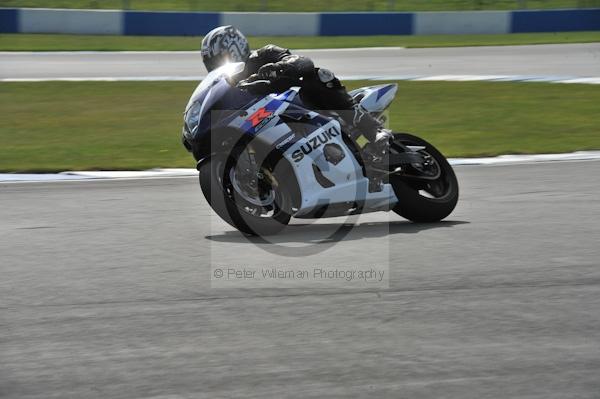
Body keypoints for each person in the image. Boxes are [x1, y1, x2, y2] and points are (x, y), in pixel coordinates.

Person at [200, 25, 393, 162]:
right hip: (266, 123)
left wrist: (278, 67)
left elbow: (301, 61)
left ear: (234, 48)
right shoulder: (226, 86)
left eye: (217, 59)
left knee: (317, 75)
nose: (214, 66)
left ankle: (373, 129)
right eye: (210, 62)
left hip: (300, 105)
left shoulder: (264, 54)